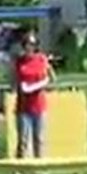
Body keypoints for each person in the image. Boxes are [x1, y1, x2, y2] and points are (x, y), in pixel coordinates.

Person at [11, 30, 55, 159]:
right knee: (23, 140)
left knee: (39, 139)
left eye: (32, 44)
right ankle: (20, 166)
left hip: (39, 106)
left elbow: (51, 79)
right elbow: (14, 82)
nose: (29, 47)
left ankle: (39, 165)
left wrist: (41, 84)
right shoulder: (19, 61)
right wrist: (18, 86)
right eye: (27, 44)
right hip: (23, 107)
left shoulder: (42, 59)